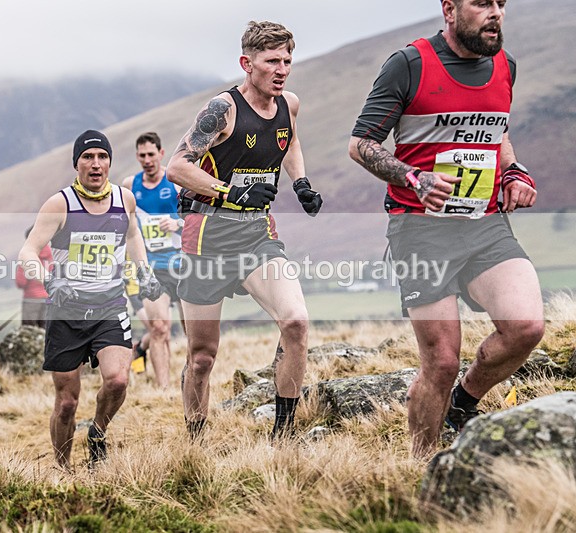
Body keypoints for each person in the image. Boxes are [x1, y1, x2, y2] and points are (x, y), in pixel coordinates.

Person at [348, 0, 544, 457]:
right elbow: (361, 144)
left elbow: (498, 132)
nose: (495, 13)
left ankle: (465, 401)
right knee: (440, 361)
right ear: (450, 9)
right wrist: (414, 179)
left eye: (501, 3)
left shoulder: (504, 65)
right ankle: (422, 466)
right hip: (421, 230)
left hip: (484, 225)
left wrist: (515, 171)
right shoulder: (409, 64)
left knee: (527, 326)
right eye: (482, 3)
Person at [167, 21, 323, 441]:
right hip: (207, 239)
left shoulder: (289, 103)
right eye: (272, 60)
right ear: (247, 63)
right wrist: (234, 191)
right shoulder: (222, 109)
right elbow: (178, 168)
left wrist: (301, 182)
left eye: (287, 60)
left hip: (257, 235)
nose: (282, 68)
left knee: (296, 323)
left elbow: (289, 141)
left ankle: (283, 435)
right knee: (201, 357)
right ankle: (196, 441)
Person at [19, 129, 162, 470]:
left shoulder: (125, 199)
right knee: (67, 403)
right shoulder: (60, 204)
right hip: (66, 312)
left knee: (118, 380)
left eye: (102, 157)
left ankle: (98, 430)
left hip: (110, 307)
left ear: (110, 162)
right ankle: (63, 467)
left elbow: (132, 235)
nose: (95, 164)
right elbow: (28, 251)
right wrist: (49, 279)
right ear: (77, 164)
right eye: (88, 157)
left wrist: (144, 271)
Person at [122, 132, 186, 388]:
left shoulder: (176, 182)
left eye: (151, 154)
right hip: (151, 268)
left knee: (193, 332)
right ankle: (164, 389)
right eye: (142, 155)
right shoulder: (130, 185)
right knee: (159, 328)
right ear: (137, 157)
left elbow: (198, 219)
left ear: (161, 153)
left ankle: (193, 382)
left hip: (183, 265)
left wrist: (177, 223)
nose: (147, 160)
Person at [15, 226, 51, 328]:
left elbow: (21, 282)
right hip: (48, 299)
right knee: (45, 331)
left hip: (31, 299)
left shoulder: (27, 257)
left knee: (28, 331)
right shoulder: (51, 255)